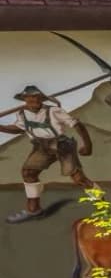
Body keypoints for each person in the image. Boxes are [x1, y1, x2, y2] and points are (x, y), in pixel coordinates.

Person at [2, 86, 88, 223]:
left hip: (61, 146)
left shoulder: (53, 110)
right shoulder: (22, 113)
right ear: (24, 99)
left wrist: (87, 145)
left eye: (35, 96)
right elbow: (18, 129)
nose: (32, 100)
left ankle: (104, 208)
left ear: (41, 98)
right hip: (41, 147)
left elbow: (78, 125)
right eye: (28, 97)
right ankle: (34, 209)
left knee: (79, 178)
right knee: (28, 173)